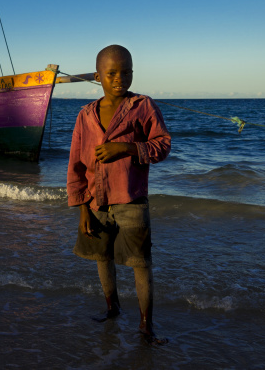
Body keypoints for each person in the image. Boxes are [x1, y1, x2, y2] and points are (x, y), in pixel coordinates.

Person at [67, 44, 171, 345]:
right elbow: (76, 164)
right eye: (111, 72)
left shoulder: (143, 106)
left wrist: (126, 148)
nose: (119, 78)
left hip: (131, 199)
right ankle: (112, 308)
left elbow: (162, 145)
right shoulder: (85, 115)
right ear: (98, 75)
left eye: (126, 72)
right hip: (96, 202)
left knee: (141, 263)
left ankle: (145, 325)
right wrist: (83, 209)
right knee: (103, 257)